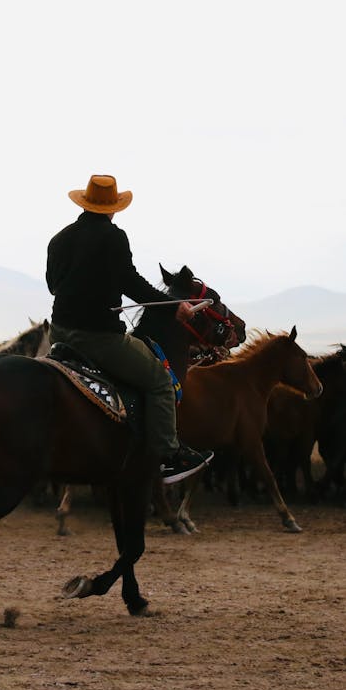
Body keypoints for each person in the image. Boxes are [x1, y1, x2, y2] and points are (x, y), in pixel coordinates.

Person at [46, 173, 214, 484]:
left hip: (58, 334)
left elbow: (53, 285)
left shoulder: (59, 238)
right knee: (161, 381)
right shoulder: (113, 236)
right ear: (113, 207)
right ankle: (168, 456)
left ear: (85, 202)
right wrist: (173, 307)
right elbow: (131, 282)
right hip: (98, 337)